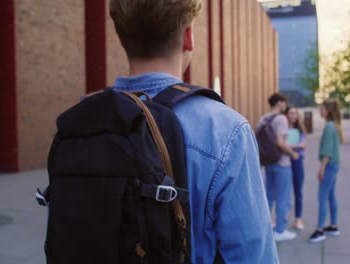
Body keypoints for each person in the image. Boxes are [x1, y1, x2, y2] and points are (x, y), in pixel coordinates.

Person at [109, 0, 278, 262]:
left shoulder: (82, 123)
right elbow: (254, 256)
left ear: (122, 36)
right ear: (188, 36)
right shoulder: (226, 131)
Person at [258, 93, 300, 242]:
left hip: (268, 162)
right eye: (285, 103)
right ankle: (280, 230)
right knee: (283, 197)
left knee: (269, 196)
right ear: (280, 103)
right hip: (282, 163)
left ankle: (266, 228)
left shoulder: (263, 118)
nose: (286, 106)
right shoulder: (281, 118)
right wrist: (293, 153)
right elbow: (280, 143)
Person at [308, 99, 344, 243]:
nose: (319, 111)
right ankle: (333, 226)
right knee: (331, 195)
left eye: (321, 108)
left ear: (328, 110)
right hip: (334, 165)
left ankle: (319, 229)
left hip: (329, 165)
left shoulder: (329, 127)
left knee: (322, 197)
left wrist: (321, 169)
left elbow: (327, 152)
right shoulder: (333, 125)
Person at [284, 106, 307, 230]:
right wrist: (295, 146)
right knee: (284, 192)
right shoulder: (283, 128)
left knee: (298, 192)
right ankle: (282, 219)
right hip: (285, 161)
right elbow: (281, 144)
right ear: (286, 115)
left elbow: (303, 145)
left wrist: (289, 146)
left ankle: (298, 219)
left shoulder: (300, 129)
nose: (293, 116)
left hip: (297, 162)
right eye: (291, 113)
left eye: (295, 113)